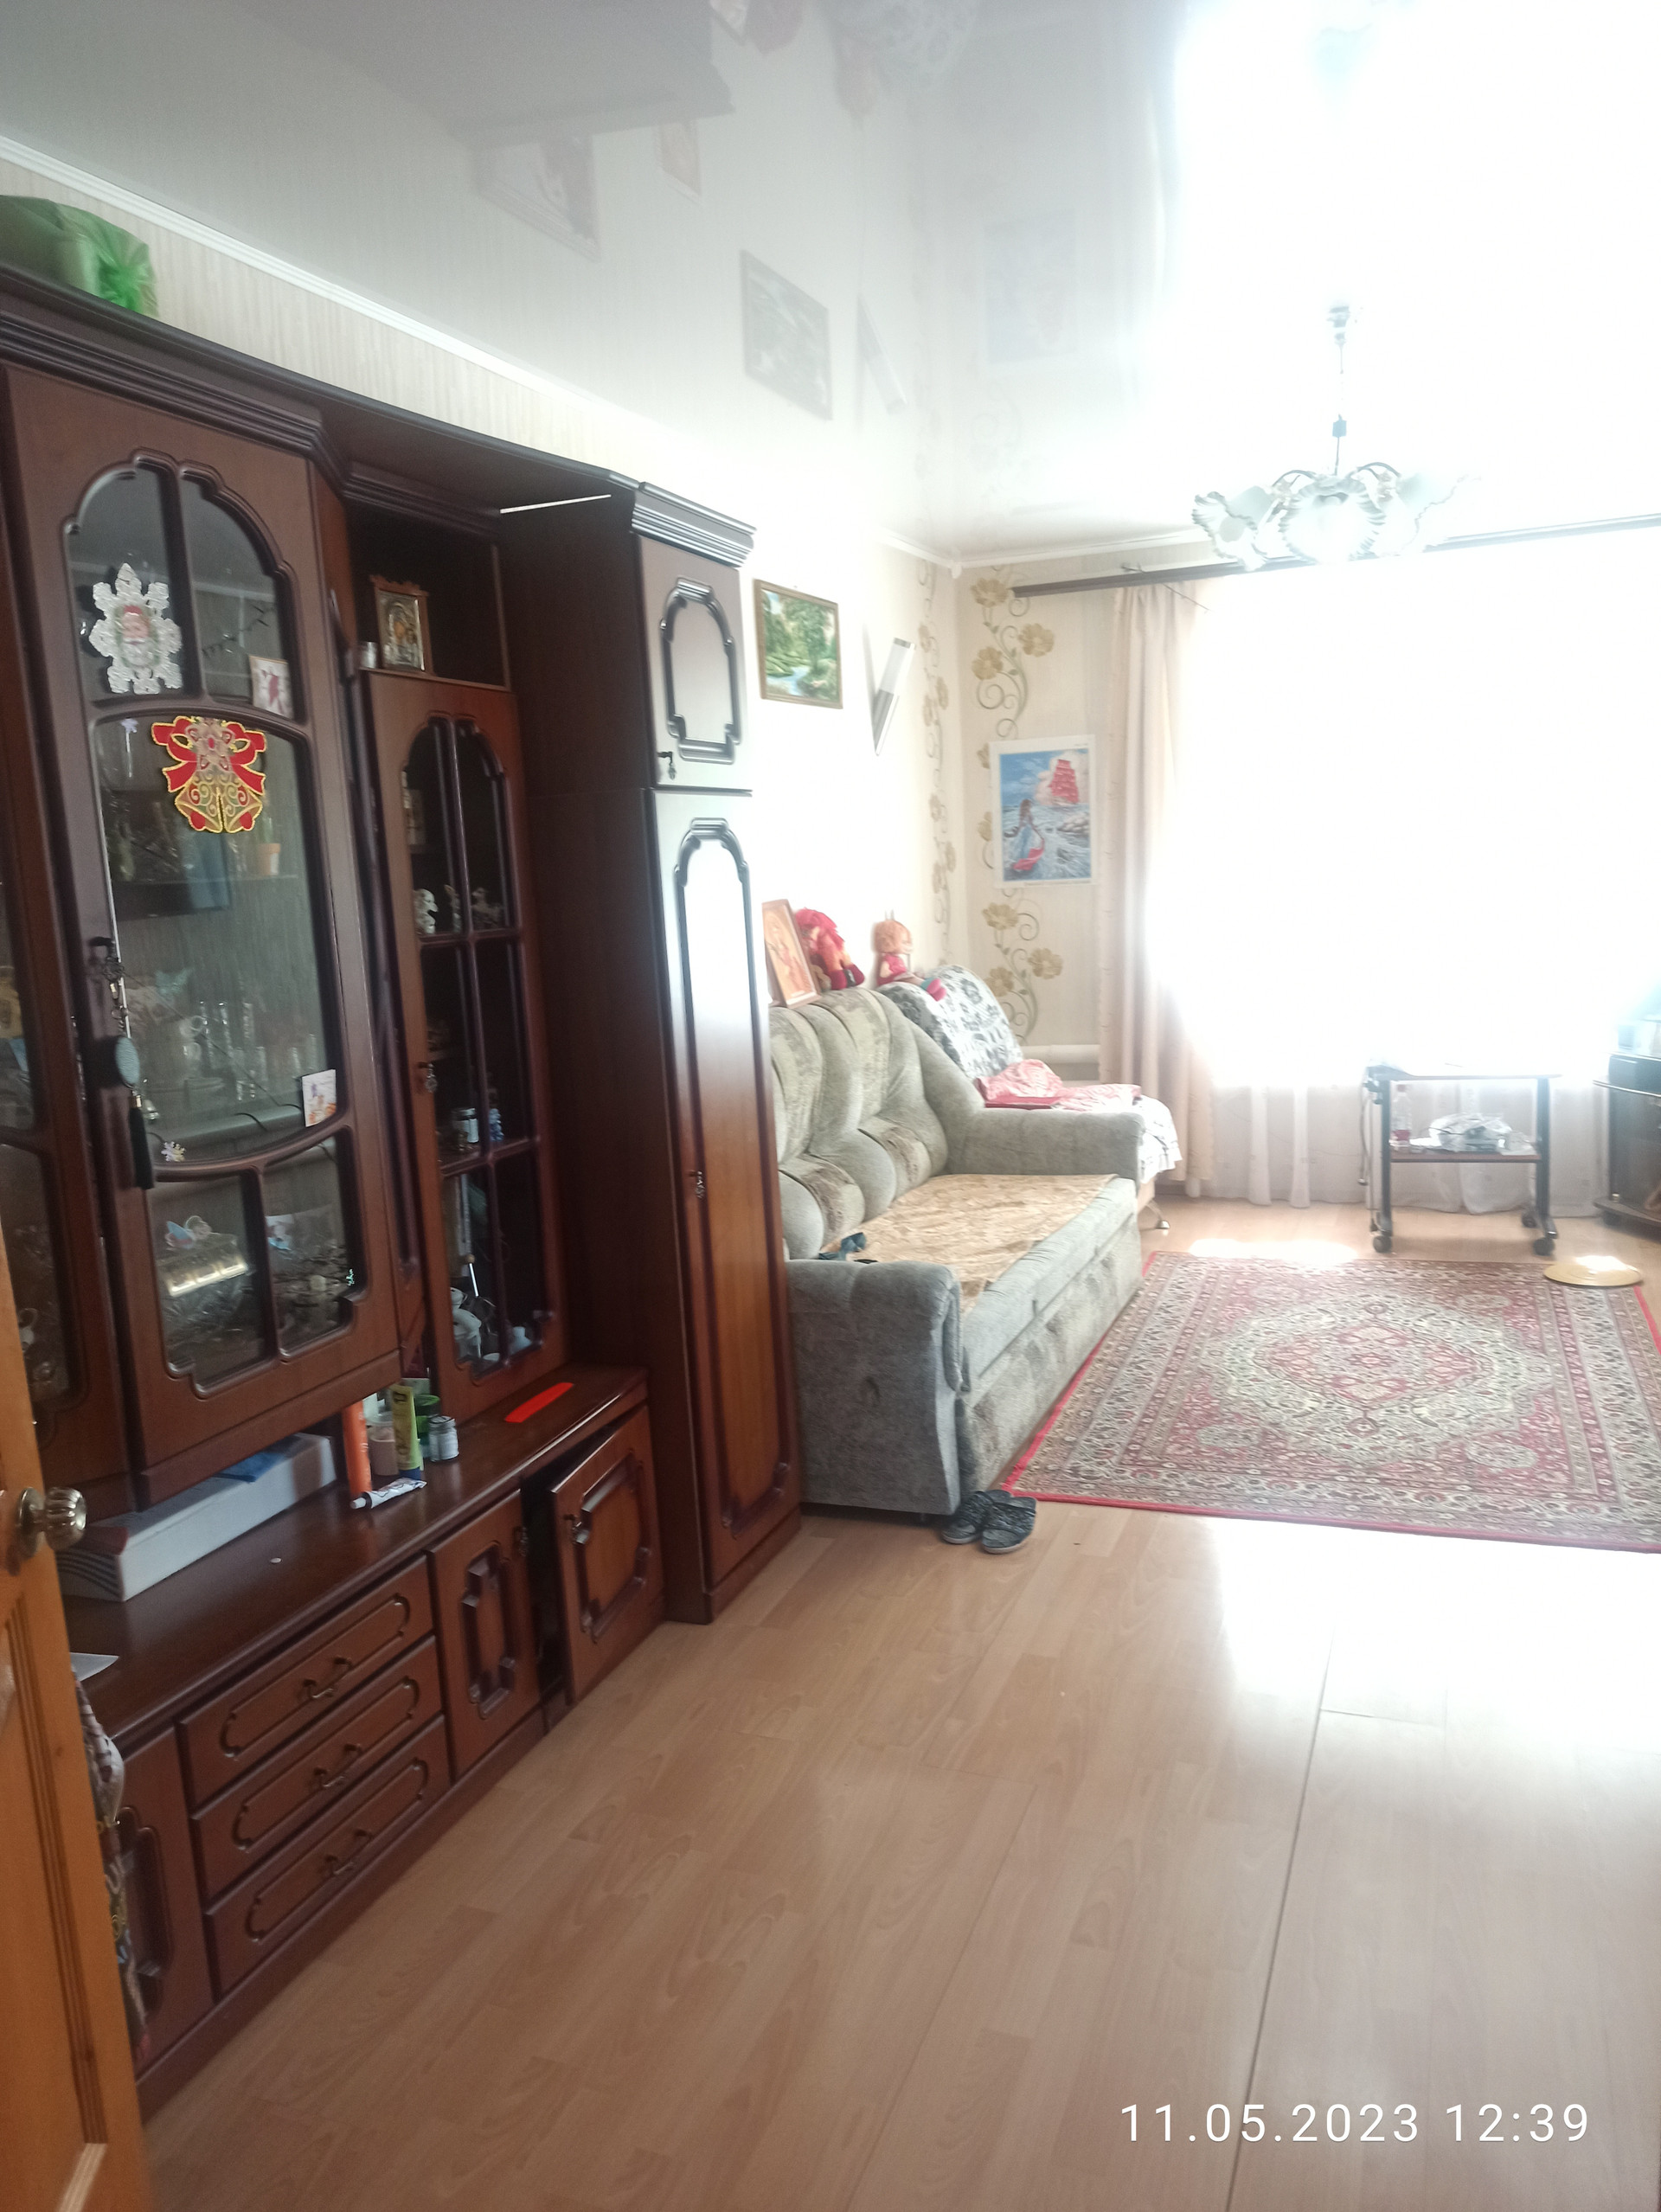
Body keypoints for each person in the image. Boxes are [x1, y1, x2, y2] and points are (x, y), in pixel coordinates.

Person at [1009, 794, 1045, 875]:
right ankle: (1023, 866)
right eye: (1030, 805)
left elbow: (1020, 826)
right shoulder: (1028, 814)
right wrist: (1040, 835)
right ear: (1027, 806)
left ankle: (1019, 866)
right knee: (1027, 850)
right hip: (1029, 833)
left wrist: (1016, 834)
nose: (1031, 806)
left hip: (1024, 833)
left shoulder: (1022, 814)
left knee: (1023, 849)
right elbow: (1032, 826)